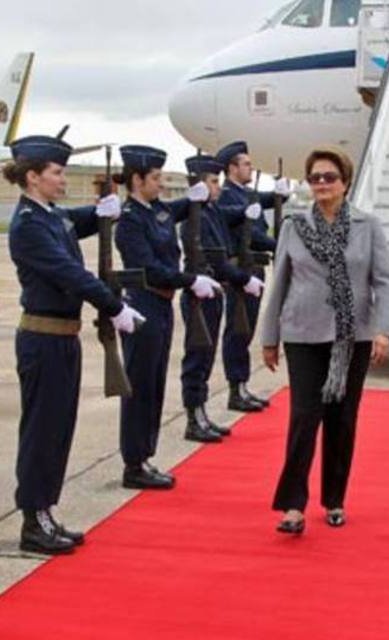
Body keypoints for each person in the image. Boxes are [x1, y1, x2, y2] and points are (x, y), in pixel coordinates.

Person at [6, 135, 145, 555]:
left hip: (62, 339)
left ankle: (46, 508)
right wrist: (113, 304)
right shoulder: (28, 225)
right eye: (57, 172)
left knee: (59, 429)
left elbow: (70, 223)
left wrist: (102, 213)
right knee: (42, 431)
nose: (63, 179)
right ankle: (33, 519)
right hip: (42, 339)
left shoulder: (47, 215)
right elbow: (69, 272)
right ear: (33, 177)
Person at [261, 147, 389, 534]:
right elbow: (280, 281)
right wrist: (269, 336)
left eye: (329, 177)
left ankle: (334, 498)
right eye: (315, 177)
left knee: (341, 419)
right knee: (305, 416)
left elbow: (384, 282)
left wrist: (384, 330)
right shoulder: (293, 225)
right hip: (301, 333)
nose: (321, 184)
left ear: (346, 183)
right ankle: (292, 505)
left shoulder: (367, 226)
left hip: (351, 337)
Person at [116, 145, 220, 490]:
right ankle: (133, 461)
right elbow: (150, 268)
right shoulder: (130, 220)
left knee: (156, 383)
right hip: (144, 303)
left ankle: (145, 454)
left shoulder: (155, 210)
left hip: (161, 306)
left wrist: (196, 198)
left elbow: (173, 211)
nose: (161, 183)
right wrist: (190, 279)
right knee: (140, 387)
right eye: (156, 177)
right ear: (137, 179)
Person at [179, 154, 265, 442]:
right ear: (199, 186)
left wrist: (254, 207)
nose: (218, 187)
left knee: (206, 355)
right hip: (199, 296)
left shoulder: (211, 211)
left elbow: (233, 214)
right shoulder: (195, 217)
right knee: (197, 357)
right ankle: (193, 417)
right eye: (213, 182)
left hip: (213, 292)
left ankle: (201, 412)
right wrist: (243, 278)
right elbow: (216, 260)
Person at [215, 140, 291, 412]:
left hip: (254, 270)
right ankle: (235, 388)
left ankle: (242, 385)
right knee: (238, 330)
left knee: (245, 330)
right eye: (246, 163)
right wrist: (279, 244)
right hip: (241, 271)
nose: (250, 167)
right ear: (231, 168)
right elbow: (254, 235)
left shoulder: (246, 195)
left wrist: (282, 194)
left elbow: (264, 201)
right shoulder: (226, 197)